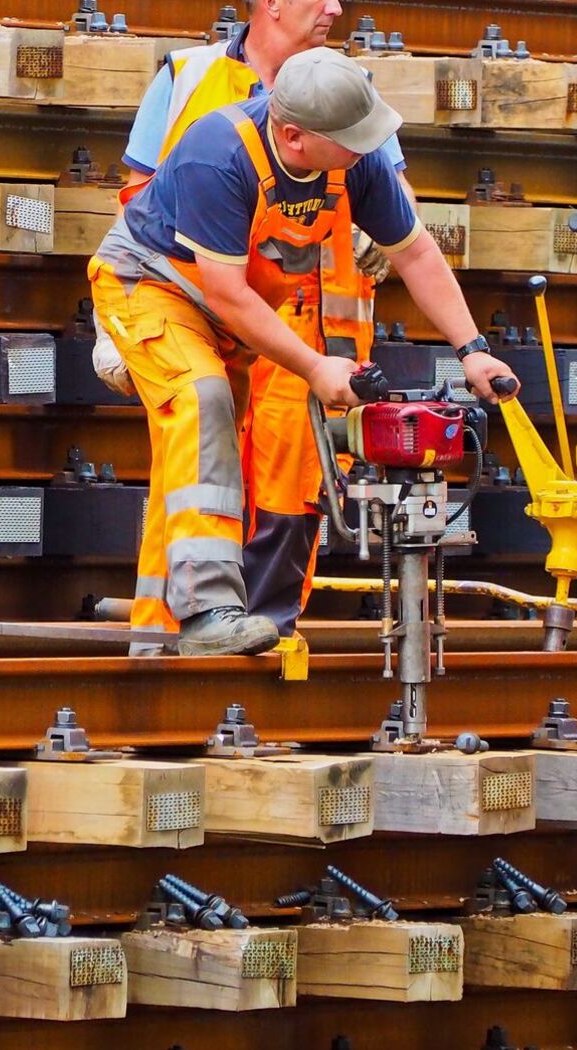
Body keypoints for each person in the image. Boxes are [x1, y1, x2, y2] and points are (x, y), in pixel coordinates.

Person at [90, 49, 517, 655]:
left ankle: (159, 638)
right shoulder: (221, 153)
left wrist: (472, 349)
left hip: (221, 311)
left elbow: (415, 252)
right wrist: (316, 368)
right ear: (293, 138)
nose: (364, 151)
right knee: (203, 401)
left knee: (195, 458)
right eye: (350, 141)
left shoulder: (354, 164)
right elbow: (227, 293)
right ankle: (210, 610)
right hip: (148, 287)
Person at [100, 0, 404, 643]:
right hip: (223, 309)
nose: (335, 7)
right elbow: (142, 208)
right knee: (198, 460)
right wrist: (117, 325)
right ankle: (177, 629)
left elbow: (401, 224)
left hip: (308, 340)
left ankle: (253, 641)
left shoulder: (351, 98)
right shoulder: (189, 78)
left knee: (289, 499)